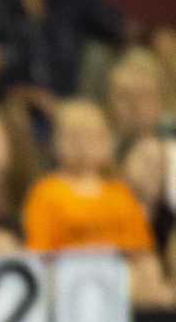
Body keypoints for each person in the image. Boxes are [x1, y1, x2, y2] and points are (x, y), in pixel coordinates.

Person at [22, 99, 156, 257]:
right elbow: (39, 250)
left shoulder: (120, 192)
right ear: (56, 141)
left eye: (91, 137)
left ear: (107, 142)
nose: (82, 145)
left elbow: (140, 248)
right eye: (73, 137)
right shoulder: (45, 192)